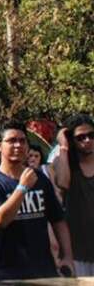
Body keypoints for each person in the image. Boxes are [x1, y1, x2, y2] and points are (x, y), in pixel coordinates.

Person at [0, 120, 74, 281]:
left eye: (22, 141)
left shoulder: (40, 178)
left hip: (44, 270)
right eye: (12, 140)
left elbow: (58, 220)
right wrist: (22, 188)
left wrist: (67, 256)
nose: (18, 145)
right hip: (9, 273)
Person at [52, 113, 94, 277]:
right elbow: (62, 183)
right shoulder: (63, 162)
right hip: (76, 250)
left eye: (91, 135)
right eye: (80, 137)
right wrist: (63, 147)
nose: (87, 140)